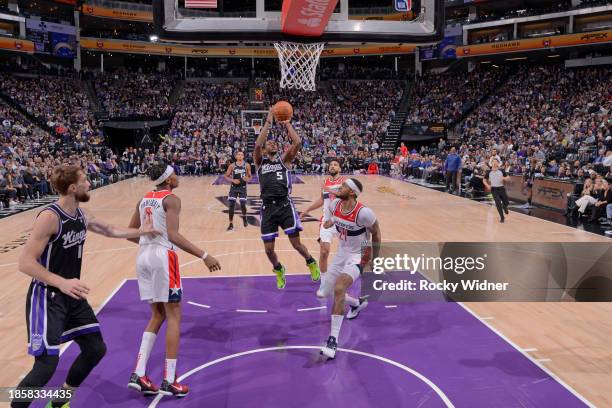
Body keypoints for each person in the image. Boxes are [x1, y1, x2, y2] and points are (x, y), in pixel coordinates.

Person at [12, 165, 160, 408]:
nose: (90, 183)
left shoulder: (81, 213)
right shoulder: (50, 217)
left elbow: (108, 229)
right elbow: (25, 262)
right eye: (85, 181)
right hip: (47, 296)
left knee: (95, 349)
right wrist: (62, 282)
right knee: (46, 366)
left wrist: (142, 231)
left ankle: (59, 402)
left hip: (72, 294)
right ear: (72, 188)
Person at [126, 164, 221, 397]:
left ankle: (139, 373)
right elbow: (173, 235)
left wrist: (148, 244)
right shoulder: (172, 199)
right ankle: (169, 380)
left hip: (143, 257)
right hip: (162, 257)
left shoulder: (144, 198)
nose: (177, 177)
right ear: (168, 179)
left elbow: (131, 232)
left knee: (157, 315)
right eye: (174, 174)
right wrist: (204, 256)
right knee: (174, 315)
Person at [253, 109, 320, 289]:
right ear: (266, 149)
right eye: (270, 143)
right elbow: (257, 145)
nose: (273, 144)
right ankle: (278, 269)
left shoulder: (284, 160)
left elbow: (297, 142)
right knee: (268, 249)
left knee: (296, 244)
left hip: (284, 205)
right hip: (267, 208)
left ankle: (311, 262)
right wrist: (268, 123)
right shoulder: (260, 163)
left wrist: (287, 123)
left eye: (276, 143)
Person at [319, 178, 381, 359]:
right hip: (342, 252)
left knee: (339, 288)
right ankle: (357, 303)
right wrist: (329, 222)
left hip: (360, 254)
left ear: (352, 193)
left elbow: (376, 233)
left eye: (344, 186)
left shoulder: (364, 213)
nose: (340, 187)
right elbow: (329, 216)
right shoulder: (335, 204)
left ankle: (332, 341)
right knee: (326, 292)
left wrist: (375, 259)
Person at [301, 159, 345, 297]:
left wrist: (328, 189)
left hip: (342, 222)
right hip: (326, 222)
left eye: (335, 164)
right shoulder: (325, 182)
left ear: (340, 168)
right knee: (324, 252)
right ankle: (324, 283)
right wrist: (307, 209)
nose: (332, 166)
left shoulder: (345, 182)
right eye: (331, 165)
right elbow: (322, 199)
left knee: (348, 253)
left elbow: (345, 196)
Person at [224, 151, 252, 231]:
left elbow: (250, 177)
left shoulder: (247, 165)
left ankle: (244, 217)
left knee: (243, 205)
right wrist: (232, 180)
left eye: (241, 155)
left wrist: (247, 179)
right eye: (238, 154)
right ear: (236, 156)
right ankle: (231, 224)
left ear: (243, 157)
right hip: (234, 187)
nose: (240, 156)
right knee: (231, 205)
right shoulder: (232, 166)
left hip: (242, 187)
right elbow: (226, 176)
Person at [483, 158, 510, 223]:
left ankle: (505, 207)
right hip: (494, 189)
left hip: (501, 188)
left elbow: (508, 177)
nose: (494, 163)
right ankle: (502, 217)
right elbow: (484, 180)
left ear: (498, 163)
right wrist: (487, 185)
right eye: (493, 162)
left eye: (496, 162)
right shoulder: (489, 172)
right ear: (491, 163)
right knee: (498, 203)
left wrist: (504, 178)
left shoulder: (502, 170)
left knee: (506, 202)